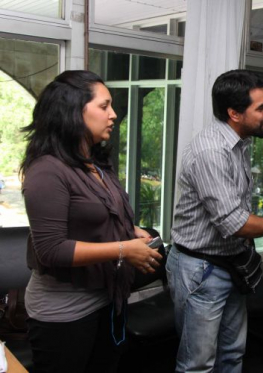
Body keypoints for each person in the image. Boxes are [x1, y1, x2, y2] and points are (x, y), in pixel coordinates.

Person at [20, 70, 163, 373]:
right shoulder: (47, 171)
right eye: (104, 106)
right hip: (63, 311)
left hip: (107, 298)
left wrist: (131, 232)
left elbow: (99, 217)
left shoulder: (98, 163)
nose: (113, 114)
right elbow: (52, 250)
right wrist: (124, 248)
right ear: (74, 110)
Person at [167, 69, 263, 373]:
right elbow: (234, 223)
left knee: (232, 354)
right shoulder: (212, 151)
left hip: (228, 265)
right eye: (261, 108)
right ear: (234, 113)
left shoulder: (239, 142)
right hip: (200, 270)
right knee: (197, 365)